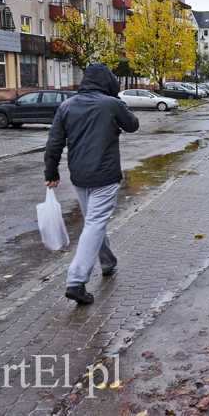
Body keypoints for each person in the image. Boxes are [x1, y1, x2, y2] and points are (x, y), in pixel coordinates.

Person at [44, 63, 139, 305]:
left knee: (92, 223)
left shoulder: (66, 106)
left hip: (79, 176)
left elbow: (54, 142)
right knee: (95, 223)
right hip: (105, 176)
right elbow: (133, 125)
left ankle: (107, 262)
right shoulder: (111, 104)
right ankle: (76, 281)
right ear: (108, 82)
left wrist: (51, 171)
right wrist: (118, 101)